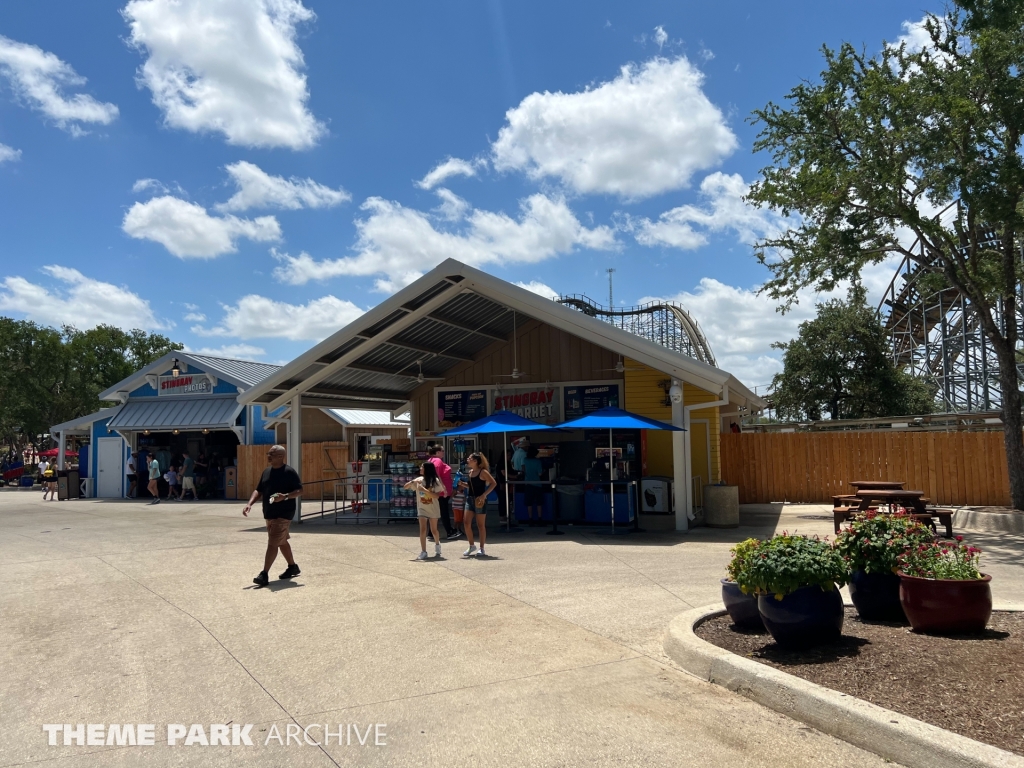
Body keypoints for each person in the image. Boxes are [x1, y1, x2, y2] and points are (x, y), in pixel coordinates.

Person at [243, 445, 303, 587]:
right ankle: (292, 566)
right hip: (269, 513)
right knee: (281, 541)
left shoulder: (289, 472)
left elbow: (300, 490)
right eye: (268, 453)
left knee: (273, 543)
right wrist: (249, 504)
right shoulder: (266, 472)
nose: (268, 456)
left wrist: (286, 496)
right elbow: (259, 490)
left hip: (283, 514)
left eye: (272, 454)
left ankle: (264, 574)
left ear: (281, 456)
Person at [459, 452, 497, 558]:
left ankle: (482, 548)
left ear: (475, 461)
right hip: (470, 499)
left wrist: (484, 495)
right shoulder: (470, 472)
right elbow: (470, 486)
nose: (468, 459)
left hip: (480, 500)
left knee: (481, 525)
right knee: (466, 522)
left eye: (470, 458)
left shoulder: (483, 472)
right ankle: (471, 545)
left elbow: (493, 483)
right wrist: (462, 484)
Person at [405, 461, 444, 560]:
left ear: (427, 469)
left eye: (422, 467)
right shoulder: (419, 479)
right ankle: (423, 551)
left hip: (433, 508)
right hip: (422, 508)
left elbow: (436, 496)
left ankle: (437, 544)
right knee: (423, 529)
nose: (420, 469)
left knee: (434, 530)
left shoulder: (435, 481)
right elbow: (405, 487)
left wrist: (424, 490)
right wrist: (412, 482)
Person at [427, 445, 460, 541]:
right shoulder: (437, 461)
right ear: (437, 452)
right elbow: (437, 474)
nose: (443, 452)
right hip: (440, 492)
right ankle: (449, 531)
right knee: (444, 511)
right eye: (442, 450)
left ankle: (431, 532)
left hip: (435, 490)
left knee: (435, 511)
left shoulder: (430, 460)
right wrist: (443, 488)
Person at [523, 445, 545, 525]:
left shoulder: (525, 460)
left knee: (529, 503)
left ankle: (530, 519)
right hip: (537, 484)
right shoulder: (538, 461)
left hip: (528, 483)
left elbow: (524, 470)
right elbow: (539, 474)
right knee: (539, 503)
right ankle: (540, 519)